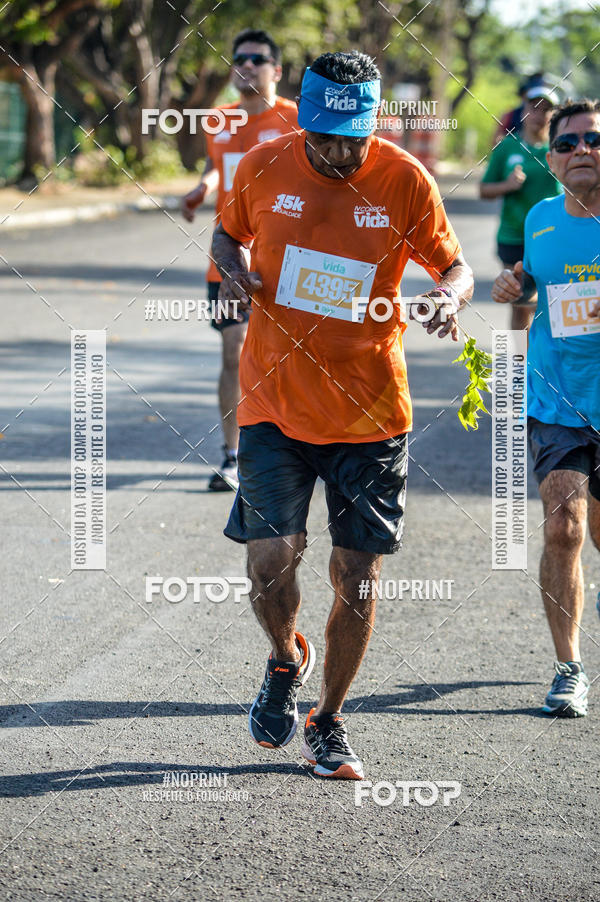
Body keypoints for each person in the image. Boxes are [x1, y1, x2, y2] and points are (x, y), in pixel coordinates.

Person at [212, 51, 474, 778]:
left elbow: (455, 265)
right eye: (323, 136)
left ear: (371, 124)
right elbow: (226, 233)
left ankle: (326, 721)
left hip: (371, 413)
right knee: (270, 565)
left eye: (351, 138)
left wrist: (449, 297)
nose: (337, 152)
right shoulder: (265, 165)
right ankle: (283, 656)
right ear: (304, 118)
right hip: (272, 400)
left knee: (357, 577)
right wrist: (233, 275)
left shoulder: (402, 178)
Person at [492, 98, 600, 718]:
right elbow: (532, 279)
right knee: (565, 528)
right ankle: (568, 667)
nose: (581, 150)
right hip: (557, 397)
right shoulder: (540, 217)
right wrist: (516, 285)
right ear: (550, 158)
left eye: (593, 140)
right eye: (567, 143)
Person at [181, 29, 298, 491]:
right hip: (228, 257)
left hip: (286, 262)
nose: (246, 66)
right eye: (239, 59)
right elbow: (218, 166)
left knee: (286, 359)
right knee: (235, 350)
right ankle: (232, 457)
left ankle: (293, 449)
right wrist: (202, 188)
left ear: (277, 70)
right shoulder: (219, 120)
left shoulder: (296, 119)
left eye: (257, 59)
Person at [481, 85, 562, 332]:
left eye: (546, 109)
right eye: (533, 107)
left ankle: (547, 364)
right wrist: (507, 185)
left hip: (553, 236)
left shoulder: (561, 147)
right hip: (514, 236)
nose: (539, 114)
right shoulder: (507, 147)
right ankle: (518, 366)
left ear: (553, 114)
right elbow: (484, 190)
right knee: (521, 303)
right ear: (524, 110)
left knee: (552, 304)